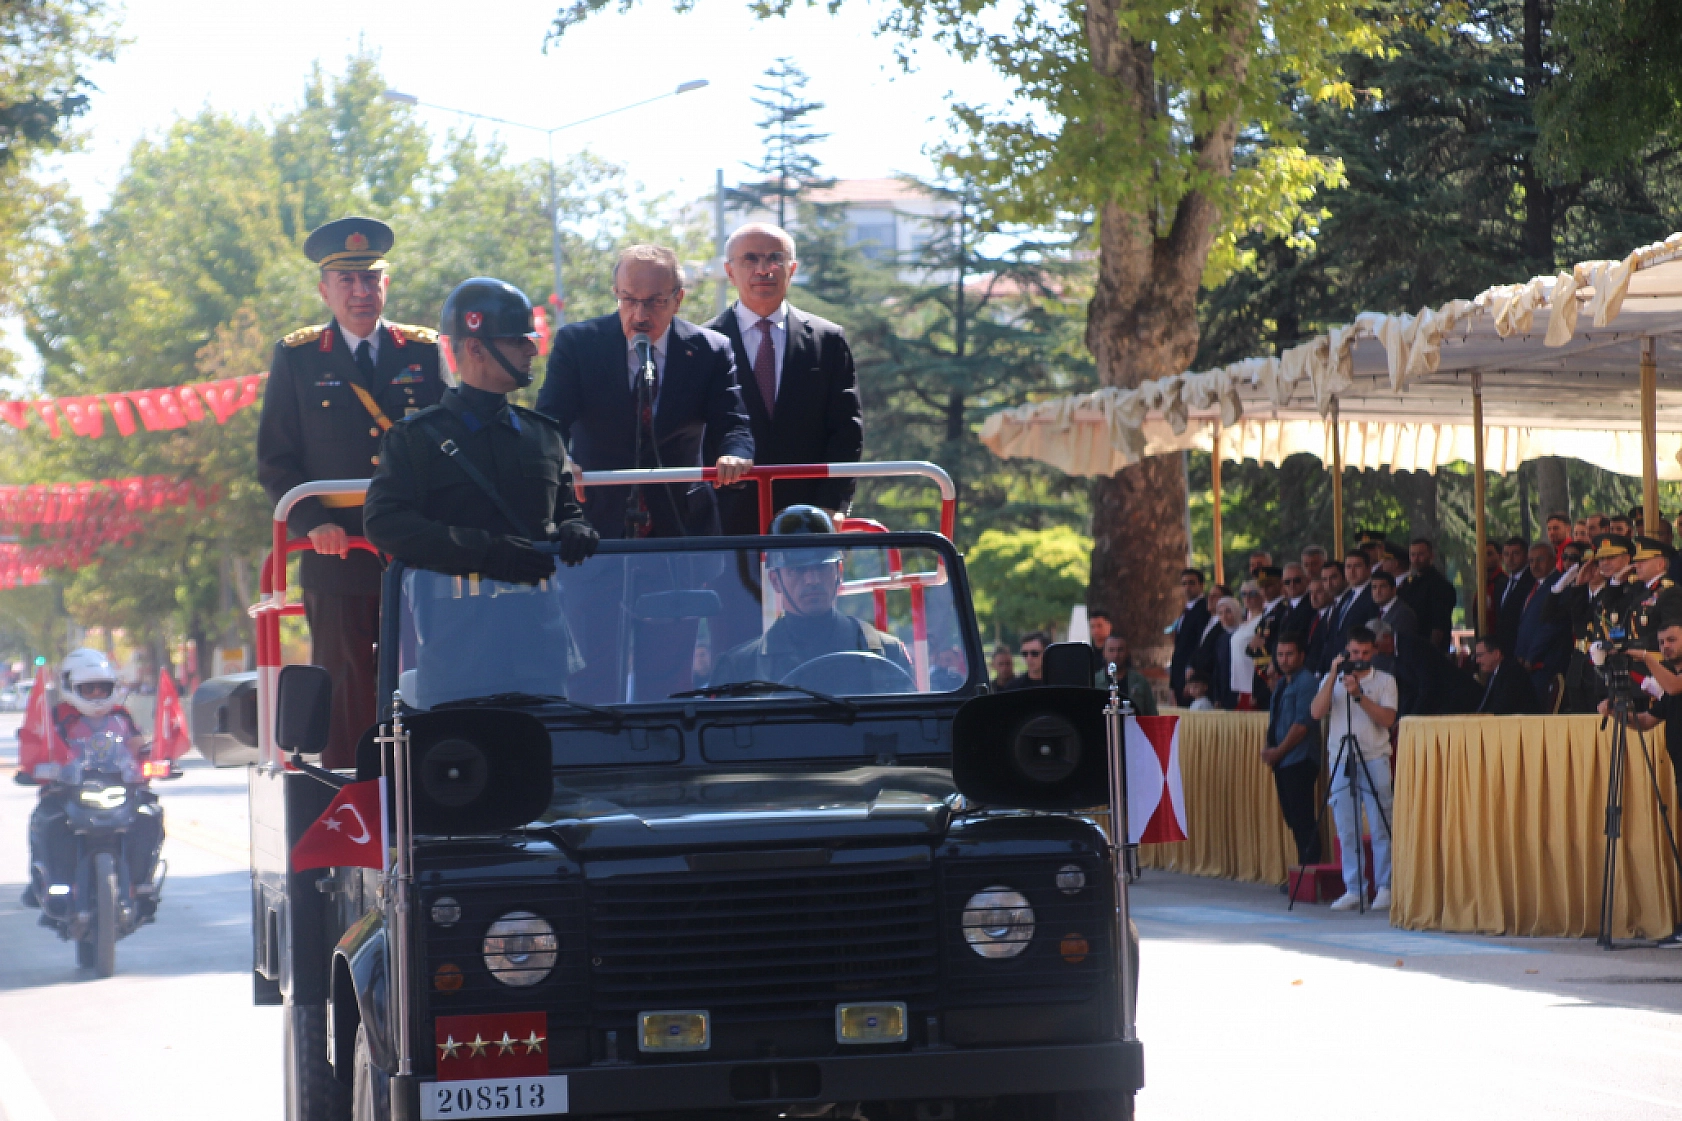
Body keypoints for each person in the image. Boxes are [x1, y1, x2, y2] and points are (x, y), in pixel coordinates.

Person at [257, 216, 445, 767]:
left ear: (386, 283)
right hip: (335, 546)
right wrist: (312, 522)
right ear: (325, 290)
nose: (361, 292)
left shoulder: (424, 352)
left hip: (413, 545)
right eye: (347, 280)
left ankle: (427, 781)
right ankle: (353, 790)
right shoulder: (297, 357)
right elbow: (276, 459)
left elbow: (447, 444)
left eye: (371, 278)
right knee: (344, 679)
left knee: (426, 673)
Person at [364, 279, 597, 579]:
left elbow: (566, 512)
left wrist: (576, 528)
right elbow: (384, 523)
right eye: (517, 341)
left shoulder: (543, 434)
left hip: (537, 604)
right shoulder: (416, 438)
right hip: (455, 605)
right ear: (475, 348)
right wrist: (483, 552)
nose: (531, 349)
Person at [537, 244, 753, 539]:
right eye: (628, 300)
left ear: (678, 300)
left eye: (655, 302)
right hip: (597, 521)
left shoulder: (710, 350)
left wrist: (734, 454)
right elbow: (549, 421)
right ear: (616, 293)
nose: (640, 315)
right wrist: (560, 459)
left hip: (682, 522)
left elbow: (733, 423)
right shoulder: (577, 344)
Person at [705, 223, 862, 534]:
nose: (764, 270)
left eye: (775, 258)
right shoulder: (704, 344)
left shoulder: (827, 340)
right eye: (750, 259)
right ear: (730, 271)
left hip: (807, 519)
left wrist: (833, 504)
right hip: (724, 517)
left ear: (792, 269)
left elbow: (846, 429)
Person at [711, 505, 912, 687]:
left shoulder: (887, 653)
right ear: (775, 580)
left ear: (839, 572)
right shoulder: (739, 669)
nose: (812, 580)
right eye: (797, 570)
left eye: (822, 567)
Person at [23, 650, 163, 907]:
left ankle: (142, 881)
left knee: (149, 815)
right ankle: (45, 884)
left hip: (119, 786)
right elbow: (39, 746)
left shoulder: (121, 716)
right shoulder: (56, 716)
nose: (97, 694)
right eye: (89, 688)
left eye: (102, 688)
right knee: (45, 820)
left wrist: (154, 761)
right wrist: (37, 768)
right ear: (71, 687)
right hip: (67, 790)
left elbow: (138, 746)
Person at [1310, 627, 1398, 910]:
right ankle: (1354, 888)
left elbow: (1388, 720)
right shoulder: (1333, 679)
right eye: (1354, 652)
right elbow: (1316, 712)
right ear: (1345, 652)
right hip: (1341, 757)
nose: (1359, 658)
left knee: (1381, 823)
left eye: (1365, 653)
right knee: (1346, 827)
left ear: (1374, 652)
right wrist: (1332, 675)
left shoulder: (1385, 681)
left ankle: (1385, 886)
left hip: (1374, 757)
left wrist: (1359, 695)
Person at [1263, 633, 1321, 866]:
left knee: (1303, 819)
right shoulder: (1282, 683)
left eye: (1289, 654)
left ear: (1301, 656)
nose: (1284, 660)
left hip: (1300, 759)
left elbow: (1301, 726)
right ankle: (1303, 870)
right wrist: (1269, 747)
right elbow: (1276, 719)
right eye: (1280, 655)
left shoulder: (1306, 683)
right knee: (1293, 818)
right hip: (1283, 760)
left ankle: (1310, 870)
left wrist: (1278, 751)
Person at [1514, 542, 1571, 705]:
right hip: (1526, 664)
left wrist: (1531, 657)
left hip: (1545, 664)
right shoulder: (1535, 586)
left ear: (1553, 559)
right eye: (1531, 561)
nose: (1535, 565)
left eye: (1540, 559)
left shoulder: (1559, 585)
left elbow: (1551, 626)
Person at [1397, 537, 1457, 652]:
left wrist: (1431, 651)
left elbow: (1439, 625)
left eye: (1421, 554)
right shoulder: (1410, 584)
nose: (1416, 559)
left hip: (1428, 648)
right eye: (1413, 555)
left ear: (1431, 556)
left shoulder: (1440, 585)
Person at [1168, 568, 1211, 704]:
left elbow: (1200, 644)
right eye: (1184, 583)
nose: (1187, 587)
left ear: (1201, 585)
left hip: (1192, 678)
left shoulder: (1204, 609)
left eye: (1192, 583)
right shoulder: (1186, 610)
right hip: (1180, 675)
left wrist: (1192, 676)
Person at [1471, 634, 1542, 715]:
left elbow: (1502, 708)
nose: (1477, 661)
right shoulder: (1493, 674)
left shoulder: (1513, 673)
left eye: (1480, 655)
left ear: (1496, 654)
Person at [1493, 537, 1536, 655]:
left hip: (1522, 648)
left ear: (1526, 556)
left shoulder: (1532, 582)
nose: (1510, 559)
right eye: (1506, 554)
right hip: (1504, 648)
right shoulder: (1503, 583)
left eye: (1516, 554)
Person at [1098, 633, 1158, 714]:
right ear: (1104, 653)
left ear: (1127, 652)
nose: (1116, 655)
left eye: (1120, 650)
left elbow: (1152, 714)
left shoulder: (1140, 681)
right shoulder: (1095, 682)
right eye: (1111, 650)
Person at [1369, 569, 1417, 637]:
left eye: (1383, 587)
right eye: (1374, 587)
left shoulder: (1404, 614)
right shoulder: (1375, 610)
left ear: (1394, 590)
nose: (1378, 591)